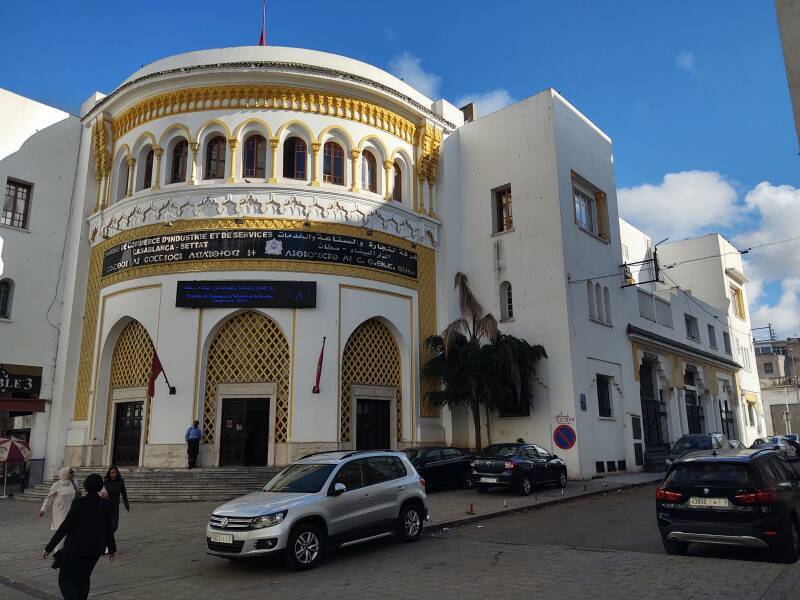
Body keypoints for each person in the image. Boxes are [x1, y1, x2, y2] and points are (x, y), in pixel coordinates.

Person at [43, 473, 116, 600]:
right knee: (83, 578)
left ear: (86, 486)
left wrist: (49, 547)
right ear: (100, 487)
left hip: (75, 547)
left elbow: (65, 526)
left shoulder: (79, 502)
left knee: (65, 579)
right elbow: (108, 528)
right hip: (94, 549)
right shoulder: (106, 504)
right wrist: (112, 549)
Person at [39, 467, 79, 547]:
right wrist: (43, 509)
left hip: (72, 510)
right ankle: (58, 551)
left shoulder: (75, 482)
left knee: (71, 532)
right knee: (61, 531)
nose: (72, 474)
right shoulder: (57, 484)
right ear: (65, 473)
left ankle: (67, 550)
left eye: (72, 472)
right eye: (70, 472)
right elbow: (49, 497)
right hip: (60, 511)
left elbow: (78, 495)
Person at [102, 466, 130, 533]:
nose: (113, 474)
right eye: (112, 472)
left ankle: (107, 538)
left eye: (115, 472)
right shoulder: (106, 482)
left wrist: (127, 506)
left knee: (114, 526)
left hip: (115, 506)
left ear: (117, 473)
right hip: (106, 506)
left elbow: (124, 494)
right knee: (107, 525)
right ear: (109, 473)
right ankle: (107, 540)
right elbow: (101, 493)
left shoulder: (120, 482)